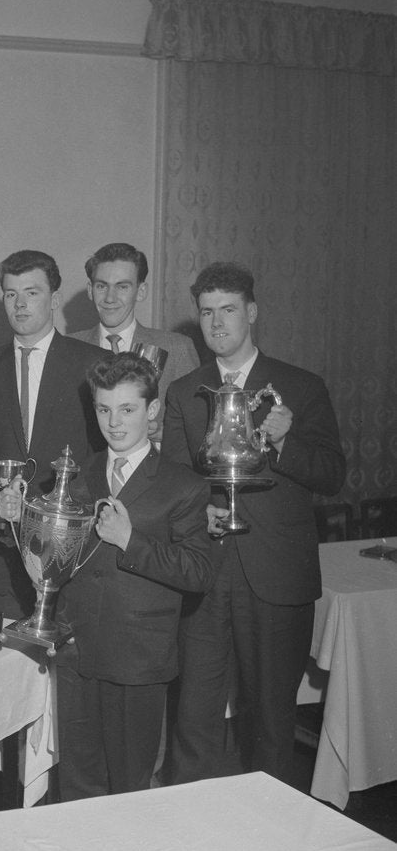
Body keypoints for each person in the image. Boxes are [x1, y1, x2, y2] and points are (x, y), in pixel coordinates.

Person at [0, 353, 215, 799]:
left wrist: (130, 540)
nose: (114, 423)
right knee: (78, 784)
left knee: (132, 789)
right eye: (103, 409)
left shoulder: (184, 484)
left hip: (139, 661)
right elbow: (44, 551)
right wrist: (13, 520)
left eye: (128, 409)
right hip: (77, 650)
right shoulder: (76, 476)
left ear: (152, 410)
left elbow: (199, 572)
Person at [163, 262, 345, 784]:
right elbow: (173, 479)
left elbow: (333, 474)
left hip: (277, 575)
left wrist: (287, 441)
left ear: (252, 312)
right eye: (206, 313)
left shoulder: (299, 387)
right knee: (193, 718)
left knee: (271, 721)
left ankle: (276, 840)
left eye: (228, 310)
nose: (216, 323)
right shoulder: (185, 391)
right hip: (205, 571)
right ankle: (185, 837)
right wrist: (201, 513)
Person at [0, 249, 107, 618]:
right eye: (11, 294)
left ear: (54, 300)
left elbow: (102, 459)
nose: (20, 304)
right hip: (2, 547)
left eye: (32, 292)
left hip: (72, 549)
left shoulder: (91, 364)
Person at [69, 242, 199, 440]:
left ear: (141, 291)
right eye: (102, 286)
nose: (110, 298)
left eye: (122, 287)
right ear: (90, 290)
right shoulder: (69, 348)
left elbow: (196, 429)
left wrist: (164, 436)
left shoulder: (176, 348)